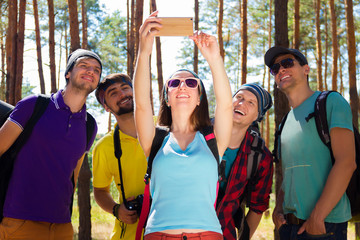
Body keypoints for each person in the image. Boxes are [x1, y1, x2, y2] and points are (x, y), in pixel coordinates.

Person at [133, 11, 233, 240]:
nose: (182, 86)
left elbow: (226, 106)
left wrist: (214, 58)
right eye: (174, 83)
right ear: (167, 97)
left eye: (190, 82)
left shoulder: (213, 140)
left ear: (199, 98)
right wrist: (145, 48)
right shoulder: (155, 141)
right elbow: (140, 105)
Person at [0, 49, 101, 240]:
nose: (91, 71)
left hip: (62, 227)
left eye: (97, 70)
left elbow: (73, 175)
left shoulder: (90, 125)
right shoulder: (34, 105)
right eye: (84, 65)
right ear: (68, 73)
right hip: (20, 222)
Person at [265, 46, 356, 239]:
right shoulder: (283, 124)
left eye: (288, 63)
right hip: (288, 228)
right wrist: (278, 209)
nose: (281, 69)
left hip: (324, 226)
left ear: (306, 69)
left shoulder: (330, 102)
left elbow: (346, 162)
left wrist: (318, 216)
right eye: (275, 68)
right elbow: (289, 174)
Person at [92, 73, 147, 239]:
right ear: (106, 107)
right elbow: (100, 191)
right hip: (129, 235)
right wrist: (117, 209)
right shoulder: (103, 147)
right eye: (113, 93)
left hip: (172, 231)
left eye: (125, 88)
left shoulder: (164, 128)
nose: (122, 94)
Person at [216, 83, 274, 240]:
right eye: (239, 97)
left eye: (251, 102)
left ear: (257, 116)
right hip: (177, 231)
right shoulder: (199, 132)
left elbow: (258, 206)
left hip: (223, 234)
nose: (241, 104)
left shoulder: (260, 157)